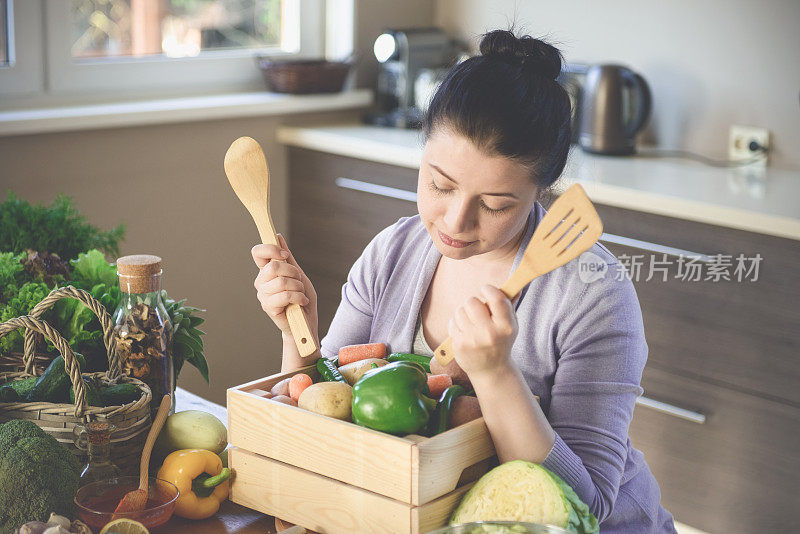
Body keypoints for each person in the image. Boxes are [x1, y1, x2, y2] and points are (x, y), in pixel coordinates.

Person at [252, 29, 676, 533]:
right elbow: (328, 414)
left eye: (495, 205)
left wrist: (497, 375)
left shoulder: (593, 292)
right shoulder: (394, 253)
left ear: (543, 189)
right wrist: (295, 334)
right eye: (438, 184)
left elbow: (583, 506)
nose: (454, 222)